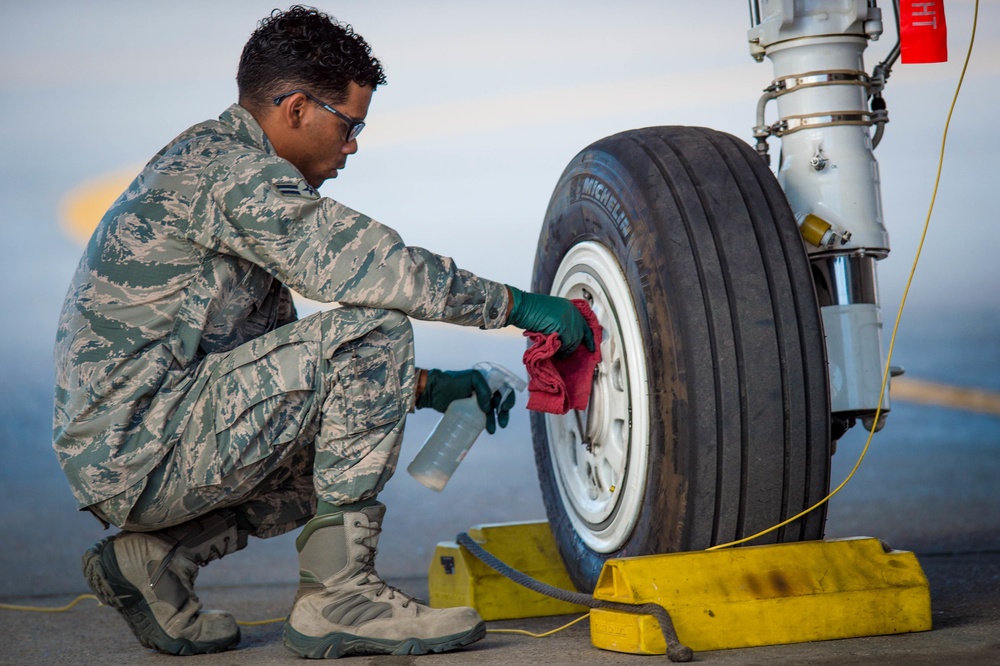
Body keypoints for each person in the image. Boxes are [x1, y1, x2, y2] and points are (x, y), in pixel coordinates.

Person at [53, 5, 593, 659]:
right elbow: (372, 268)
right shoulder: (235, 178)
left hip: (137, 442)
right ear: (298, 108)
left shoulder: (212, 160)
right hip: (142, 445)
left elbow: (271, 372)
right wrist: (519, 306)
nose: (354, 145)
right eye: (351, 124)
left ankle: (154, 559)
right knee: (373, 332)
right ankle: (339, 599)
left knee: (348, 426)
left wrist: (431, 388)